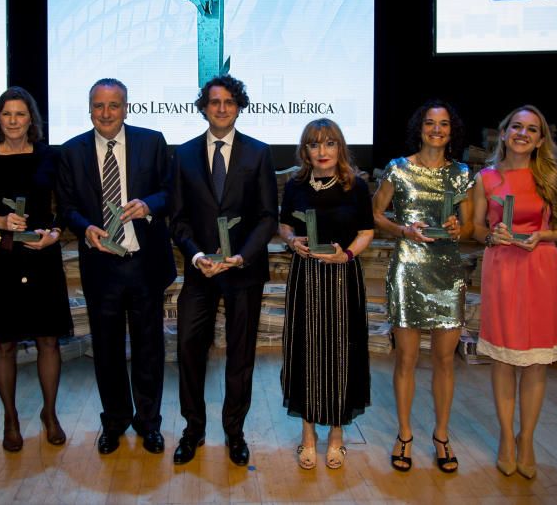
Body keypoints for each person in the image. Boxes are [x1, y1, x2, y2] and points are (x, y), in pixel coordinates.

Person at [56, 78, 175, 456]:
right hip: (101, 266)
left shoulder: (152, 141)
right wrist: (84, 227)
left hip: (144, 263)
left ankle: (149, 423)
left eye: (114, 105)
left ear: (127, 107)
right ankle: (115, 421)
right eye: (98, 105)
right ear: (89, 108)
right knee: (106, 351)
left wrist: (149, 205)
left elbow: (171, 191)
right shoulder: (71, 151)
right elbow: (67, 207)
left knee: (149, 349)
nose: (106, 113)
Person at [169, 75, 278, 467]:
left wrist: (241, 257)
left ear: (239, 106)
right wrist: (197, 256)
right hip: (200, 272)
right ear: (203, 107)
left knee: (241, 355)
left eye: (229, 102)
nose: (221, 108)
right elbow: (177, 220)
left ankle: (235, 432)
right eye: (214, 101)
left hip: (242, 272)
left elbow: (268, 217)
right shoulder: (181, 155)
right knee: (188, 349)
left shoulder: (259, 154)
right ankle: (192, 430)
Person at [470, 105, 557, 479]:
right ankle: (505, 437)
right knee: (503, 358)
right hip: (501, 268)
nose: (522, 133)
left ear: (540, 140)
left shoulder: (552, 176)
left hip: (541, 269)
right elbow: (474, 229)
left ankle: (527, 438)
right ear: (503, 133)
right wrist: (490, 235)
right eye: (516, 126)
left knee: (535, 361)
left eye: (532, 129)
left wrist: (543, 235)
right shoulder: (486, 177)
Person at [0, 87, 73, 452]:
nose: (13, 121)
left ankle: (50, 414)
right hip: (4, 259)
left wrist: (55, 233)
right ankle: (10, 419)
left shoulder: (51, 156)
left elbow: (66, 205)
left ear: (32, 119)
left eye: (20, 114)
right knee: (5, 341)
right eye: (7, 114)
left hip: (42, 256)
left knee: (48, 338)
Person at [372, 99, 473, 473]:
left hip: (447, 274)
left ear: (451, 130)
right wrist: (402, 230)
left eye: (443, 124)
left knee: (445, 360)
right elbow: (375, 213)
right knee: (407, 359)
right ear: (420, 128)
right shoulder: (398, 169)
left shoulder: (462, 173)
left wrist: (459, 228)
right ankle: (404, 435)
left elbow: (473, 227)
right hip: (408, 270)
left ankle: (442, 435)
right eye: (430, 123)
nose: (436, 129)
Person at [279, 118, 373, 469]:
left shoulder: (357, 187)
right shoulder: (295, 185)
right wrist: (291, 241)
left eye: (329, 143)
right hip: (305, 276)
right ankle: (307, 435)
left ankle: (336, 434)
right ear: (305, 150)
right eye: (314, 144)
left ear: (340, 148)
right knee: (305, 350)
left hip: (343, 277)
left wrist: (345, 255)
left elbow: (366, 232)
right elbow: (285, 224)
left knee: (341, 353)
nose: (322, 151)